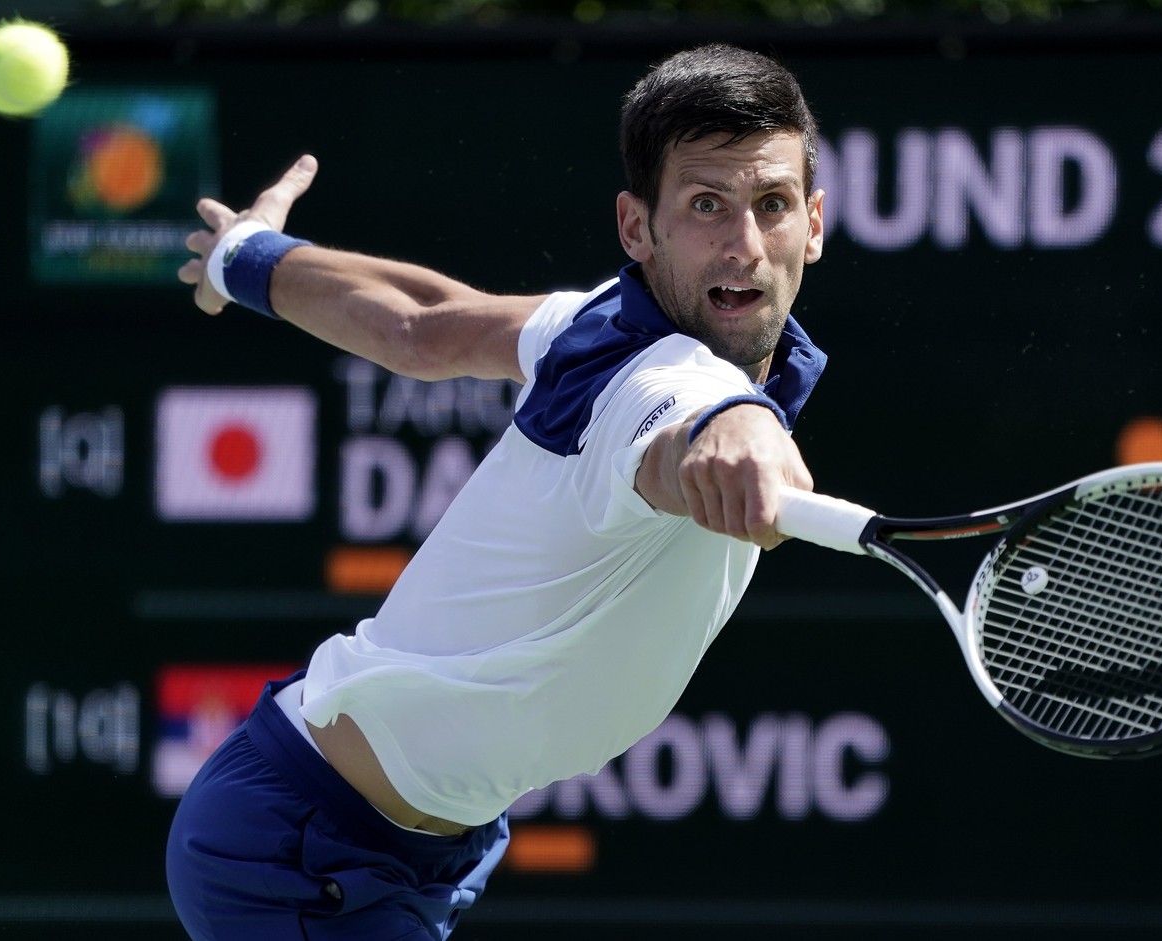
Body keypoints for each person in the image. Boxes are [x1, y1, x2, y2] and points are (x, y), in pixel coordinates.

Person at [165, 42, 828, 940]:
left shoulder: (589, 323)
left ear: (814, 223)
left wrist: (247, 257)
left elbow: (421, 325)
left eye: (772, 205)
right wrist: (738, 430)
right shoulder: (664, 380)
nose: (744, 243)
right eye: (706, 204)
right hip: (306, 855)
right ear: (639, 228)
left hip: (404, 845)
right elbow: (687, 426)